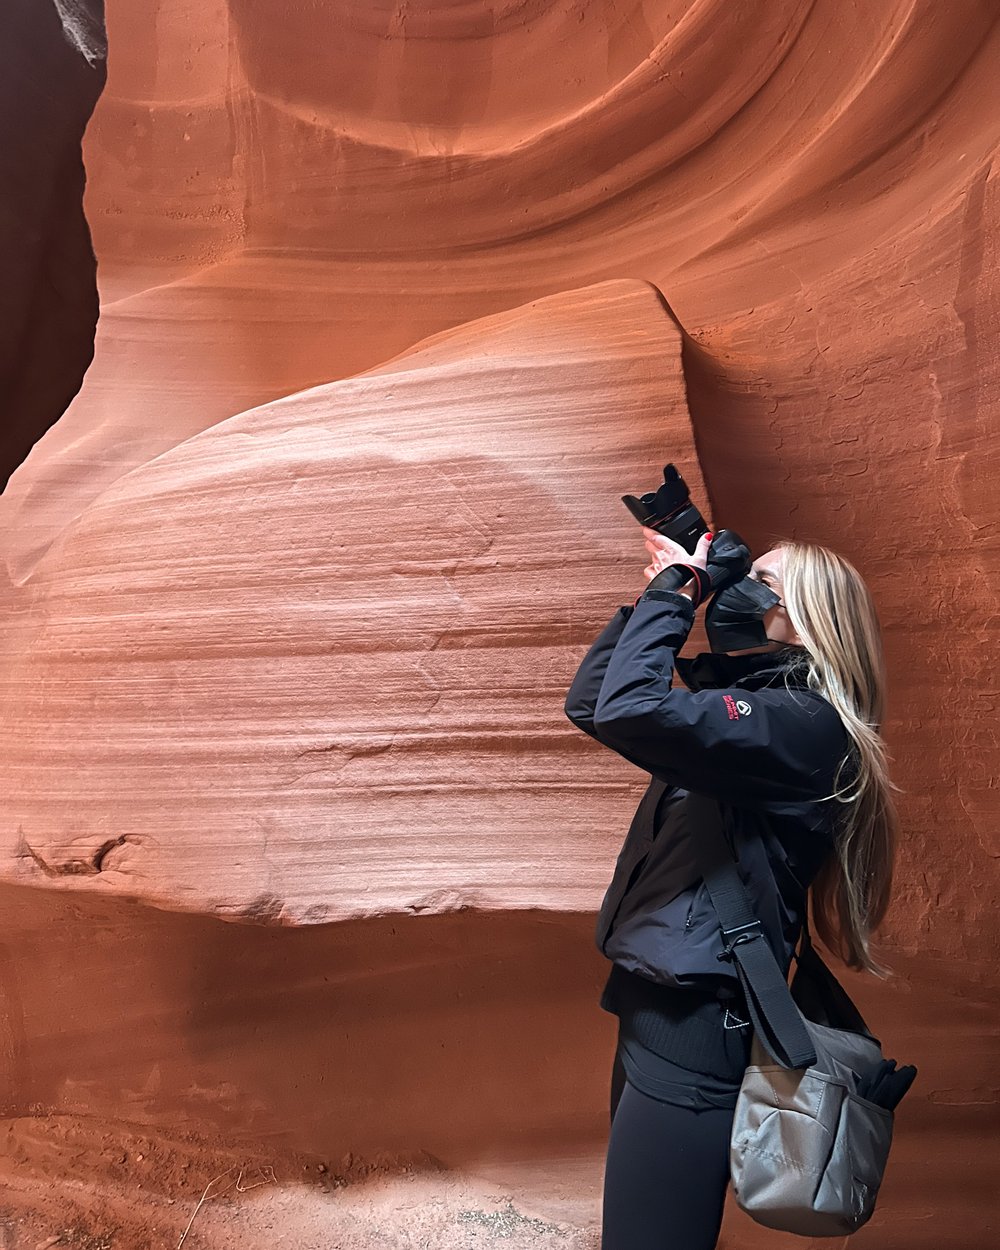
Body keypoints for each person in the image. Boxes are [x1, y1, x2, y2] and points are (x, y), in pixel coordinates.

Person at [564, 524, 899, 1250]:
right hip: (659, 1007)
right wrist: (654, 594)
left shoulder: (809, 729)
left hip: (696, 1026)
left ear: (809, 621)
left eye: (763, 584)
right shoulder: (759, 711)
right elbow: (594, 703)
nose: (740, 590)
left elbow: (631, 707)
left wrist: (677, 591)